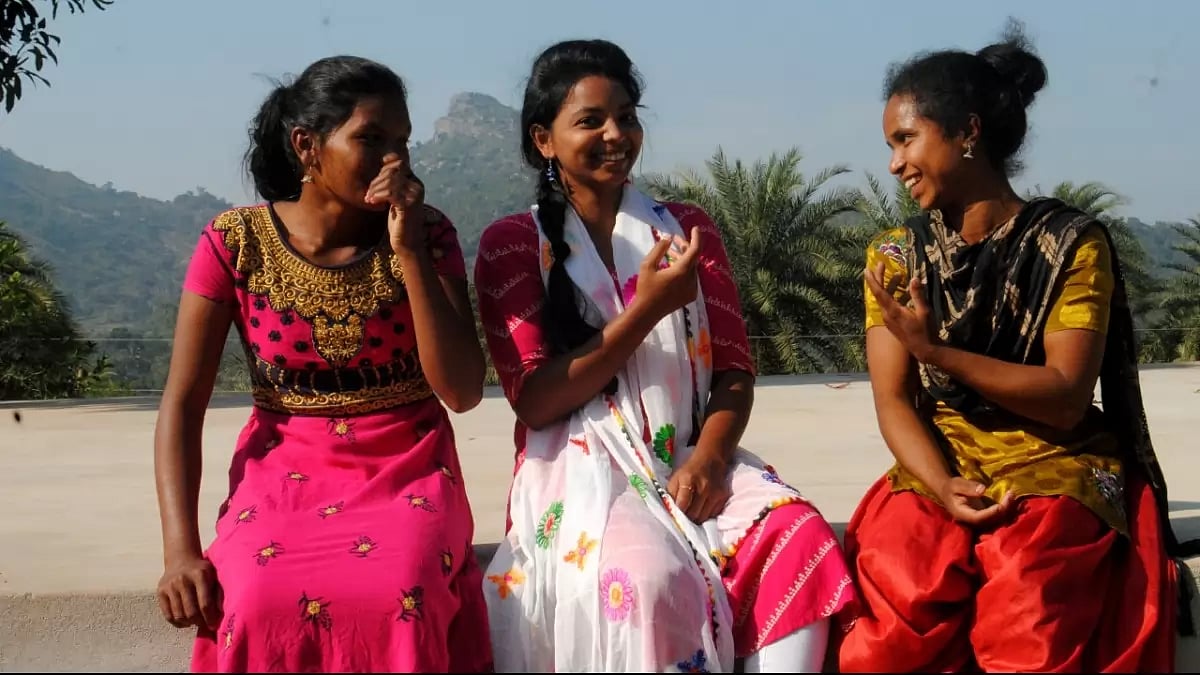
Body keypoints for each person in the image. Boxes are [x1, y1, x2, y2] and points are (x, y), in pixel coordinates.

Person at [472, 39, 856, 673]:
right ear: (544, 140)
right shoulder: (514, 245)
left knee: (800, 535)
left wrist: (709, 458)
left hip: (690, 454)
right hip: (582, 472)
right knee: (644, 578)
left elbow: (734, 370)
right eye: (591, 120)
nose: (616, 134)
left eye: (627, 115)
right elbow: (538, 400)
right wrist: (646, 308)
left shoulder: (685, 230)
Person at [839, 23, 1195, 673]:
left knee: (1029, 597)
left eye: (906, 139)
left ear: (968, 132)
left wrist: (939, 352)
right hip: (940, 453)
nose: (894, 164)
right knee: (904, 577)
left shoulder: (1070, 243)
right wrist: (944, 485)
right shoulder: (894, 254)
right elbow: (894, 401)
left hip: (1055, 456)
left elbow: (1063, 399)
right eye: (891, 145)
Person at [152, 55, 493, 673]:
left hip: (406, 463)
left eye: (402, 143)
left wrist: (409, 250)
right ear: (307, 146)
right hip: (281, 472)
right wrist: (180, 550)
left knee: (400, 595)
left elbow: (463, 390)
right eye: (370, 139)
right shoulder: (235, 243)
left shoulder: (427, 233)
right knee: (253, 601)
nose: (395, 160)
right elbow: (182, 403)